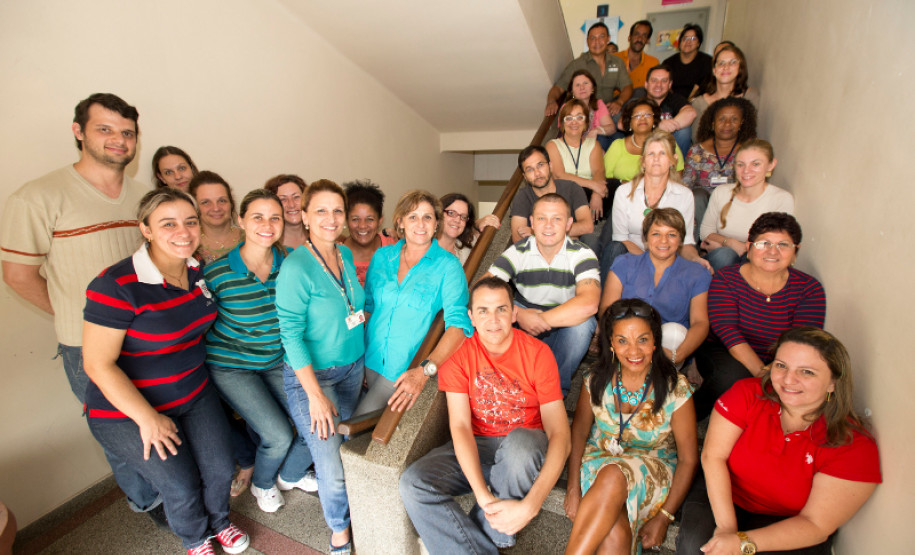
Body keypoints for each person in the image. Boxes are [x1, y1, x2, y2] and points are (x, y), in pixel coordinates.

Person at [0, 93, 161, 522]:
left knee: (157, 418)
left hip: (149, 337)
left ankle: (172, 488)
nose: (118, 141)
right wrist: (82, 319)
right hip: (86, 346)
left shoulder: (144, 197)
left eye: (127, 133)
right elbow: (18, 276)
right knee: (119, 431)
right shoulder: (38, 197)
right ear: (79, 132)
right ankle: (148, 501)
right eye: (105, 129)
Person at [82, 188, 249, 555]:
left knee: (221, 468)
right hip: (127, 411)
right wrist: (147, 419)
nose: (183, 232)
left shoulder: (195, 271)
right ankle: (195, 538)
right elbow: (96, 363)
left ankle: (220, 522)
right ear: (146, 229)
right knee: (180, 482)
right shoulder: (116, 285)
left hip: (192, 392)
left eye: (190, 222)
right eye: (168, 223)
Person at [399, 277, 571, 554]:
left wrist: (531, 505)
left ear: (514, 313)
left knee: (520, 446)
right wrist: (482, 494)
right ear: (471, 317)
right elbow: (460, 426)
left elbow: (561, 434)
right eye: (483, 311)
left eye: (501, 309)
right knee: (414, 482)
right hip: (479, 445)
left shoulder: (539, 354)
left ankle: (485, 538)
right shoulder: (458, 355)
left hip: (523, 448)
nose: (493, 319)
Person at [676, 327, 881, 555]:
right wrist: (727, 530)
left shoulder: (854, 445)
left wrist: (741, 543)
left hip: (790, 519)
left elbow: (816, 524)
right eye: (781, 365)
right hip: (727, 495)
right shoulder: (747, 393)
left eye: (807, 372)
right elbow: (713, 457)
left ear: (833, 382)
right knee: (696, 547)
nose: (788, 379)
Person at [204, 189, 316, 514]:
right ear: (240, 221)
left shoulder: (293, 264)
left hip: (275, 359)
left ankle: (289, 474)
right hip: (231, 366)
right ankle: (263, 483)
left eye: (274, 217)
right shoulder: (217, 273)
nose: (267, 225)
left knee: (314, 424)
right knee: (279, 435)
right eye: (257, 216)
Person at [563, 299, 697, 554]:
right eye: (622, 340)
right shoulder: (595, 380)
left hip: (653, 471)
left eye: (643, 340)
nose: (633, 350)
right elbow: (579, 433)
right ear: (611, 344)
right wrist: (572, 488)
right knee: (613, 530)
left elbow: (689, 459)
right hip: (598, 464)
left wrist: (665, 516)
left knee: (615, 474)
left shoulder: (675, 388)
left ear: (655, 342)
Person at [276, 180, 366, 554]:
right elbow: (291, 336)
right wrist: (314, 395)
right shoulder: (297, 267)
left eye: (337, 211)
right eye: (321, 211)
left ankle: (288, 474)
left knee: (340, 445)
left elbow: (353, 308)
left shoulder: (343, 253)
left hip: (352, 368)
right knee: (331, 467)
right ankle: (339, 532)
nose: (331, 219)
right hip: (315, 378)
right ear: (305, 217)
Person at [693, 212, 826, 419]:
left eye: (783, 245)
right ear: (749, 246)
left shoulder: (809, 289)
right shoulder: (726, 278)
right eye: (763, 243)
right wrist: (764, 375)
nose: (772, 251)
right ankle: (692, 414)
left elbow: (802, 341)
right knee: (733, 378)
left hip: (780, 357)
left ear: (795, 251)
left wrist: (780, 370)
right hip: (724, 350)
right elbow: (727, 331)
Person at [354, 190, 473, 416]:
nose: (420, 223)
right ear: (400, 222)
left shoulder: (448, 266)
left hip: (404, 369)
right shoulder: (382, 257)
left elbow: (459, 327)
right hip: (370, 359)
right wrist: (354, 356)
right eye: (412, 217)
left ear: (436, 223)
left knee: (355, 428)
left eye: (427, 217)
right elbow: (368, 309)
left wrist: (424, 371)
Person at [487, 194, 600, 396]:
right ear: (531, 222)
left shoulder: (582, 254)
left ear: (569, 223)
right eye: (541, 218)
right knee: (490, 310)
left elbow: (589, 303)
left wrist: (538, 320)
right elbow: (482, 289)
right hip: (523, 311)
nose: (548, 225)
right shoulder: (518, 251)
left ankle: (552, 391)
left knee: (584, 324)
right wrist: (519, 314)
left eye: (557, 218)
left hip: (564, 319)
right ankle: (506, 386)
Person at [599, 208, 711, 371]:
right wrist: (632, 342)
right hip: (626, 338)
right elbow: (606, 309)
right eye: (656, 234)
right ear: (645, 238)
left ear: (680, 239)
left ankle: (660, 381)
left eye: (671, 234)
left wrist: (679, 354)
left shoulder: (696, 273)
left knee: (675, 332)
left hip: (668, 346)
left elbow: (700, 322)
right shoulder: (624, 263)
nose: (663, 241)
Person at [601, 131, 708, 280]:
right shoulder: (624, 192)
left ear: (673, 160)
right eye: (651, 154)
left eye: (663, 153)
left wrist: (696, 259)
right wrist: (650, 262)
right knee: (614, 248)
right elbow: (621, 239)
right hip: (631, 258)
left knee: (697, 269)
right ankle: (605, 302)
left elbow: (685, 243)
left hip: (667, 260)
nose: (656, 159)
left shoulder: (684, 195)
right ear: (643, 161)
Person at [700, 140, 795, 271]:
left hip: (759, 260)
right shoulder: (721, 192)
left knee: (749, 259)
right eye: (740, 164)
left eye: (755, 164)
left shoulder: (781, 199)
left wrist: (744, 248)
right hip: (722, 257)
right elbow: (705, 232)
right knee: (725, 255)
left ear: (771, 165)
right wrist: (729, 243)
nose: (746, 171)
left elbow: (775, 243)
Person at [682, 97, 758, 239]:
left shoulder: (750, 151)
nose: (727, 124)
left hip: (732, 206)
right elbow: (685, 186)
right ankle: (697, 244)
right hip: (701, 207)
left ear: (742, 123)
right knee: (696, 195)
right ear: (713, 123)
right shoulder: (697, 151)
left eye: (734, 119)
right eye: (722, 119)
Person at [546, 22, 633, 118]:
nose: (597, 42)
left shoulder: (617, 62)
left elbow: (627, 86)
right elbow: (558, 88)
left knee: (638, 95)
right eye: (593, 38)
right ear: (587, 41)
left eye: (601, 37)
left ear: (608, 39)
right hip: (587, 113)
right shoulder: (577, 65)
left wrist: (619, 102)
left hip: (609, 110)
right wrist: (551, 101)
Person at [510, 145, 594, 243]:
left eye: (540, 165)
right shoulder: (522, 197)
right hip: (540, 252)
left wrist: (536, 232)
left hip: (571, 248)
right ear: (524, 176)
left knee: (591, 240)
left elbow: (587, 226)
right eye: (530, 169)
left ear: (550, 166)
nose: (537, 173)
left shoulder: (572, 188)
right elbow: (517, 239)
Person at [545, 99, 609, 222]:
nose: (574, 122)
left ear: (585, 123)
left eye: (579, 117)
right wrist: (594, 185)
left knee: (614, 185)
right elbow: (559, 175)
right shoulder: (552, 145)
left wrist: (596, 194)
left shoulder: (594, 144)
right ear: (562, 123)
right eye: (569, 118)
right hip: (565, 197)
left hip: (589, 195)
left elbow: (599, 172)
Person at [603, 99, 685, 184]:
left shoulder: (667, 142)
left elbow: (677, 175)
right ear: (630, 123)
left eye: (647, 115)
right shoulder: (618, 145)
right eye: (637, 116)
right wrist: (627, 185)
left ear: (654, 120)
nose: (642, 118)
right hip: (623, 194)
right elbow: (605, 178)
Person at [691, 44, 760, 143]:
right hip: (710, 154)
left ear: (740, 67)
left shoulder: (750, 96)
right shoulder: (700, 102)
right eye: (721, 63)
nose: (726, 67)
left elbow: (750, 133)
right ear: (714, 70)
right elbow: (697, 139)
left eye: (732, 62)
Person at [338, 180, 396, 286]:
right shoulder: (336, 254)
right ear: (346, 220)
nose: (363, 226)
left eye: (370, 219)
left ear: (380, 221)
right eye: (355, 219)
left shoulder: (394, 247)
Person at [643, 64, 697, 157]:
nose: (658, 85)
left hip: (670, 147)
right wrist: (657, 125)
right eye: (654, 80)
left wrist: (667, 127)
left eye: (664, 81)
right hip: (644, 146)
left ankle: (677, 168)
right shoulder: (638, 100)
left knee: (684, 131)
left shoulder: (675, 99)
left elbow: (691, 113)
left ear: (670, 85)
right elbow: (622, 124)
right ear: (646, 84)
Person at [189, 171, 243, 264]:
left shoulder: (251, 238)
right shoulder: (188, 245)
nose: (216, 208)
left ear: (231, 203)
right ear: (194, 207)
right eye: (206, 202)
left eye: (222, 201)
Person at [437, 192, 500, 265]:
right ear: (438, 214)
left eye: (463, 217)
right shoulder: (424, 249)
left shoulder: (465, 247)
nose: (457, 220)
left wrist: (478, 223)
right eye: (451, 213)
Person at [662, 23, 713, 100]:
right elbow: (665, 86)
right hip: (672, 101)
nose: (688, 42)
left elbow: (701, 88)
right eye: (685, 38)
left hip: (697, 101)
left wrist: (687, 104)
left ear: (698, 43)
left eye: (693, 39)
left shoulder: (707, 61)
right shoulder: (668, 62)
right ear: (680, 42)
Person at [564, 69, 615, 141]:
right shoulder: (566, 108)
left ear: (592, 88)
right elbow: (569, 135)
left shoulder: (598, 103)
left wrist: (596, 131)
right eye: (577, 85)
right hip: (578, 145)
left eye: (585, 83)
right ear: (572, 91)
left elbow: (611, 128)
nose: (582, 87)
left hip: (599, 142)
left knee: (616, 137)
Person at [264, 174, 308, 250]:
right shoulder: (268, 243)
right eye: (283, 199)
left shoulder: (323, 235)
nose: (291, 204)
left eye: (296, 197)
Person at [615, 20, 660, 90]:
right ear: (629, 37)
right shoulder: (614, 58)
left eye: (644, 35)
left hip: (641, 99)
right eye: (636, 34)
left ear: (648, 40)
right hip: (616, 100)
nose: (639, 39)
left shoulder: (653, 63)